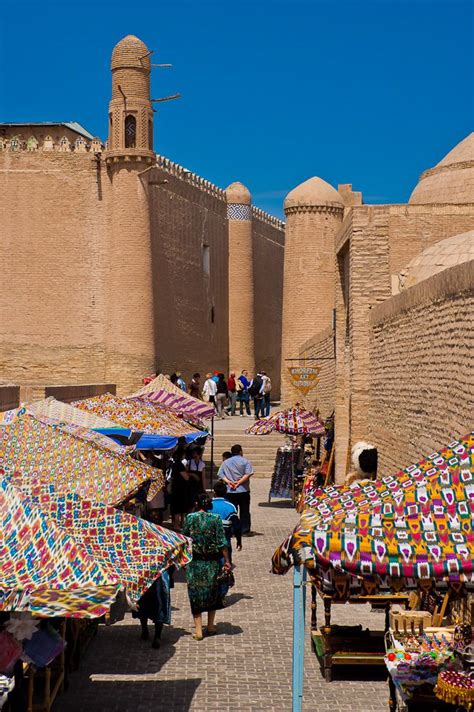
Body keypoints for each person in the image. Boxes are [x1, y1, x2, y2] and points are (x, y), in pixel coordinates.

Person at [182, 494, 231, 640]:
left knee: (195, 594)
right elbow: (222, 542)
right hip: (212, 562)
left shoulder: (190, 518)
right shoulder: (215, 519)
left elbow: (184, 539)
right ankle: (210, 625)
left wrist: (183, 560)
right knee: (212, 592)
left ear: (197, 503)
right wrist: (227, 561)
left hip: (195, 563)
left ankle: (198, 631)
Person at [217, 444, 254, 535]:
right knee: (244, 510)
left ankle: (232, 529)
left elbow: (220, 474)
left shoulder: (225, 462)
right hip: (243, 490)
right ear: (240, 451)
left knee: (232, 510)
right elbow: (248, 474)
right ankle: (244, 529)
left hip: (230, 490)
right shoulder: (245, 461)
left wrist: (229, 482)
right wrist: (239, 482)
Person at [133, 568, 172, 649]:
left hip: (147, 572)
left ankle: (149, 632)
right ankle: (153, 634)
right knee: (156, 603)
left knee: (146, 601)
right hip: (154, 572)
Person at [211, 480, 242, 564]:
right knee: (225, 567)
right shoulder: (231, 506)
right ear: (225, 492)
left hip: (209, 543)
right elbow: (237, 526)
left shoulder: (207, 505)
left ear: (214, 492)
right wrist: (239, 541)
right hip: (225, 541)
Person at [169, 445, 192, 531]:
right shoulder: (179, 465)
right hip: (180, 489)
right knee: (178, 508)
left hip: (176, 488)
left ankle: (177, 524)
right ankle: (177, 525)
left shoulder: (174, 464)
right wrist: (189, 474)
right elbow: (186, 477)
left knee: (177, 508)